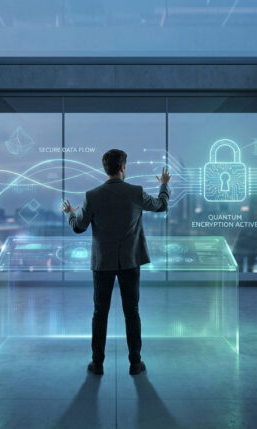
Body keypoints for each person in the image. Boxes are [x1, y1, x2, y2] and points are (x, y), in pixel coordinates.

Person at [62, 149, 171, 376]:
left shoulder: (92, 195)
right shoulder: (136, 192)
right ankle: (135, 363)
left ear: (106, 168)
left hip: (102, 264)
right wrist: (163, 185)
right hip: (131, 261)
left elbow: (78, 227)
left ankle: (97, 364)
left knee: (100, 313)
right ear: (123, 167)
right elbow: (161, 205)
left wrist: (70, 213)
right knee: (131, 312)